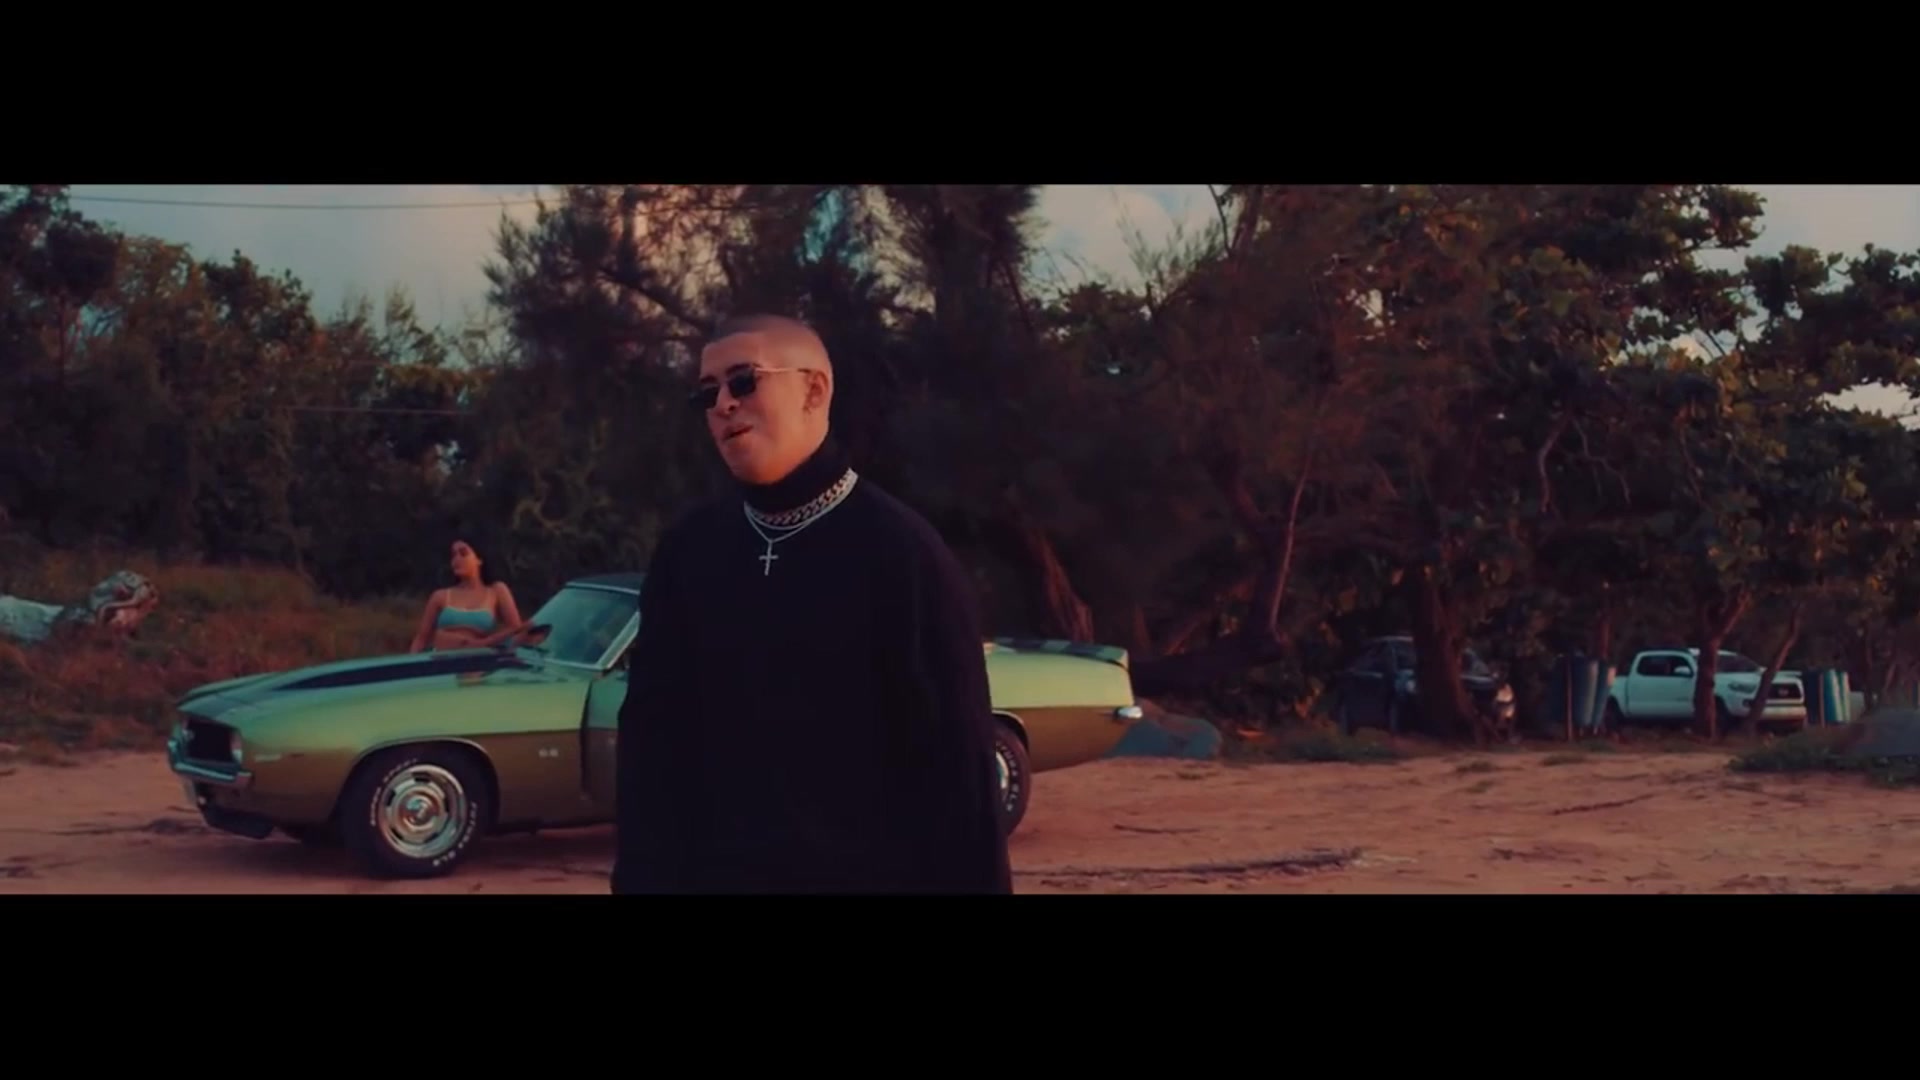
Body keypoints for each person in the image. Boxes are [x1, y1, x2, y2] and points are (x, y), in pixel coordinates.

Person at [610, 313, 1012, 894]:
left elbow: (959, 776)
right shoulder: (688, 552)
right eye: (707, 392)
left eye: (744, 380)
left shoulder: (902, 554)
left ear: (814, 391)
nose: (723, 404)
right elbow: (652, 748)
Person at [407, 537, 525, 652]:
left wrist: (489, 643)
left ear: (479, 559)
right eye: (454, 555)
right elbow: (421, 638)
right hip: (441, 657)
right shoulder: (440, 596)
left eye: (463, 553)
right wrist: (411, 661)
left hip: (478, 658)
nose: (457, 559)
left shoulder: (496, 591)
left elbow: (516, 630)